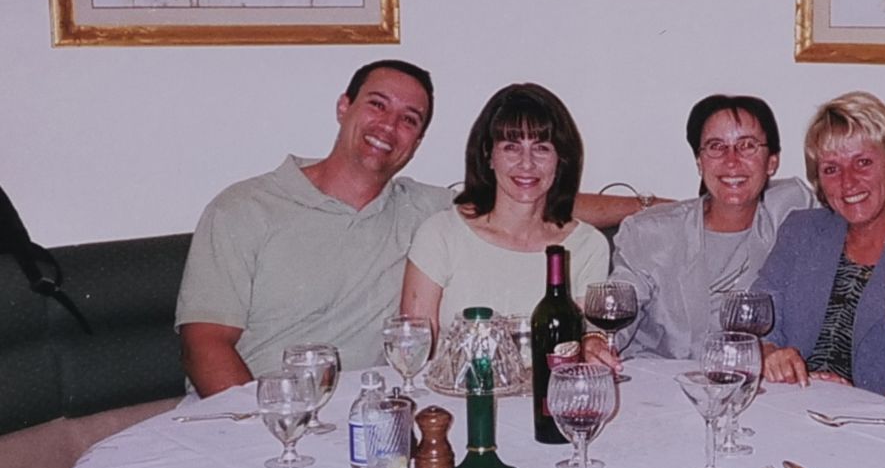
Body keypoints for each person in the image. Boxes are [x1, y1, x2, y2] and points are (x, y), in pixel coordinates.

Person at [177, 60, 643, 397]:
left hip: (368, 410)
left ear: (417, 140)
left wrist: (657, 207)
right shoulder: (245, 209)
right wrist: (257, 427)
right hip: (258, 411)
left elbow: (529, 202)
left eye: (409, 120)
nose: (389, 126)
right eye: (377, 105)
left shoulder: (422, 206)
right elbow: (204, 345)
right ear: (343, 106)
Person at [587, 94, 815, 366]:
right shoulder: (650, 233)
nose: (732, 161)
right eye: (716, 146)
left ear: (772, 162)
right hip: (659, 381)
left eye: (747, 145)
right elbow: (620, 303)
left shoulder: (793, 211)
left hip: (752, 383)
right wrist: (596, 339)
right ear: (699, 162)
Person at [754, 91, 885, 395]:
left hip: (877, 415)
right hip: (793, 403)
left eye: (862, 162)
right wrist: (771, 353)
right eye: (831, 169)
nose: (848, 181)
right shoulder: (801, 230)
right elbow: (754, 322)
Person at [398, 83, 608, 337]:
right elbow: (414, 347)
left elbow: (588, 342)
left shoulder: (587, 246)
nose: (527, 163)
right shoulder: (440, 234)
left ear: (561, 160)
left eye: (541, 148)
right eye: (511, 147)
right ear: (488, 155)